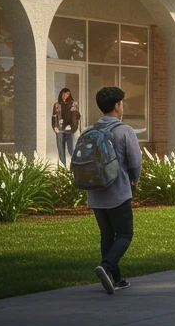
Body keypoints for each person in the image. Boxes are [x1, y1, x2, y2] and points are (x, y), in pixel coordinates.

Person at [84, 86, 142, 294]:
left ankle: (115, 279)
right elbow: (135, 163)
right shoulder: (124, 131)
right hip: (118, 192)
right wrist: (135, 181)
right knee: (125, 234)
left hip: (95, 193)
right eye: (122, 103)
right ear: (117, 106)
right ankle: (107, 266)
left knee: (106, 235)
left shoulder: (88, 131)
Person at [52, 87, 80, 167]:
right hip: (59, 129)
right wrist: (54, 127)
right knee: (61, 148)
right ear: (61, 94)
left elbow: (75, 116)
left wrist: (72, 127)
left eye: (67, 93)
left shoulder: (73, 104)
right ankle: (62, 166)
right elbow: (54, 117)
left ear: (70, 95)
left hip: (69, 129)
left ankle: (75, 165)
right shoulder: (57, 105)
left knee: (71, 148)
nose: (65, 95)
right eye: (64, 93)